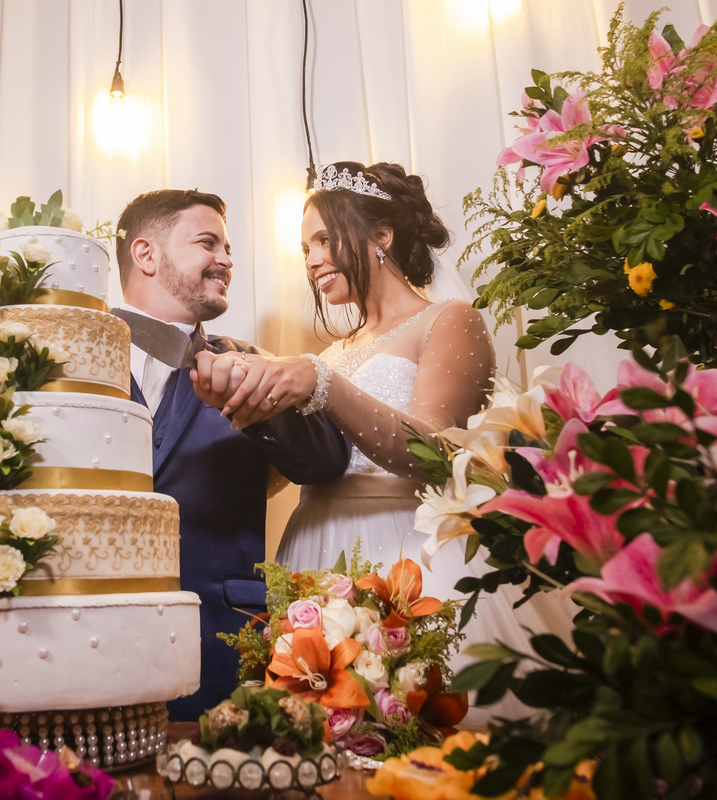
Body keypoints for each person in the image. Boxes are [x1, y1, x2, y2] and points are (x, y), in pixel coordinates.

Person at [193, 162, 542, 720]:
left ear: (383, 235)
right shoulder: (331, 354)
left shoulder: (449, 321)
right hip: (317, 553)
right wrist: (247, 413)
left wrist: (320, 384)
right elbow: (297, 470)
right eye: (305, 248)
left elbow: (436, 452)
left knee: (420, 730)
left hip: (410, 554)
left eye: (324, 240)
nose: (310, 261)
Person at [111, 189, 351, 721]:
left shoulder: (252, 363)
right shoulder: (73, 359)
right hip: (86, 639)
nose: (226, 260)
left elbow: (327, 464)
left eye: (228, 247)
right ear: (145, 254)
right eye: (207, 242)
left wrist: (260, 405)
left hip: (222, 641)